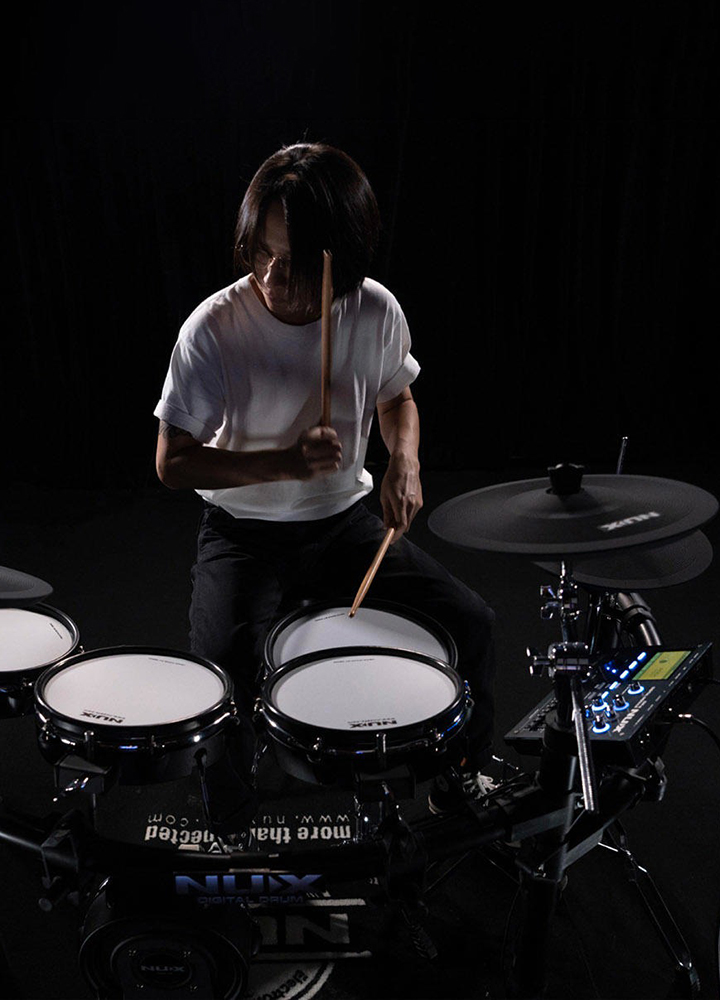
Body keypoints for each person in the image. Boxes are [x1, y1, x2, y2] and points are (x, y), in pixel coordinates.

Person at [153, 142, 496, 819]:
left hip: (344, 524)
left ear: (344, 255)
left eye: (297, 261)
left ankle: (459, 778)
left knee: (471, 621)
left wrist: (405, 461)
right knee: (222, 668)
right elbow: (173, 462)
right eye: (261, 252)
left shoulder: (375, 312)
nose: (272, 276)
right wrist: (283, 463)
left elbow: (398, 398)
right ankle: (231, 822)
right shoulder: (213, 328)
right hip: (243, 533)